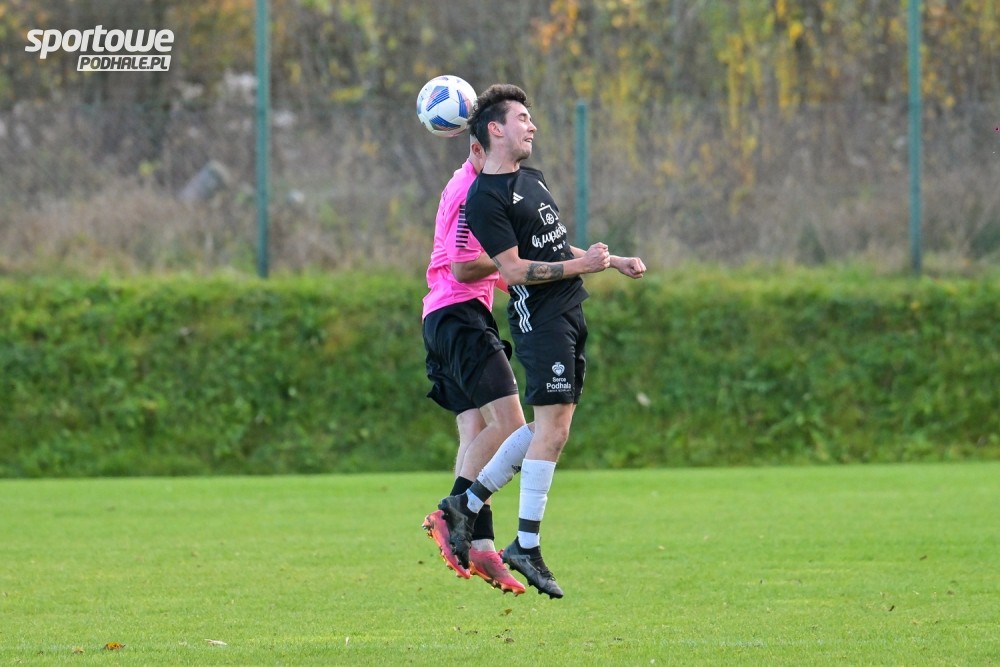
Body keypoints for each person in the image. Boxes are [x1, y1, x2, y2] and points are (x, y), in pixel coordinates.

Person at [434, 84, 646, 599]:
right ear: (493, 130)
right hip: (531, 315)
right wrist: (581, 266)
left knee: (550, 427)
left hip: (569, 309)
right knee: (535, 429)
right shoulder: (479, 196)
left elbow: (552, 247)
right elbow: (508, 269)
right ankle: (514, 538)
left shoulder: (532, 178)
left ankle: (468, 509)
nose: (532, 126)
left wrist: (609, 262)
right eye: (523, 118)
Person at [420, 132, 535, 595]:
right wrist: (513, 264)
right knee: (512, 428)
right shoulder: (471, 190)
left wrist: (521, 277)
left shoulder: (473, 184)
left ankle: (480, 543)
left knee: (476, 432)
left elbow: (484, 266)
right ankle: (452, 512)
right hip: (459, 316)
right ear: (478, 149)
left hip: (444, 316)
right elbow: (465, 266)